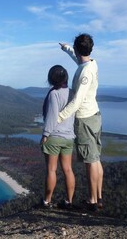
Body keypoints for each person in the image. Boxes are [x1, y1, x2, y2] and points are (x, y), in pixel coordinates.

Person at [58, 33, 103, 212]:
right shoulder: (91, 63)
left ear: (78, 50)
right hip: (95, 115)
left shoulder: (85, 72)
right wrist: (66, 48)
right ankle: (98, 197)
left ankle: (92, 201)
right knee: (96, 158)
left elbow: (76, 101)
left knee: (90, 161)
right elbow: (79, 59)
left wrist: (59, 117)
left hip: (85, 119)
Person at [40, 65, 75, 209]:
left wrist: (45, 134)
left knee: (51, 170)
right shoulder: (72, 92)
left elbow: (52, 116)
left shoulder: (54, 93)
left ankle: (47, 201)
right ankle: (69, 201)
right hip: (68, 137)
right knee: (68, 169)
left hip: (54, 136)